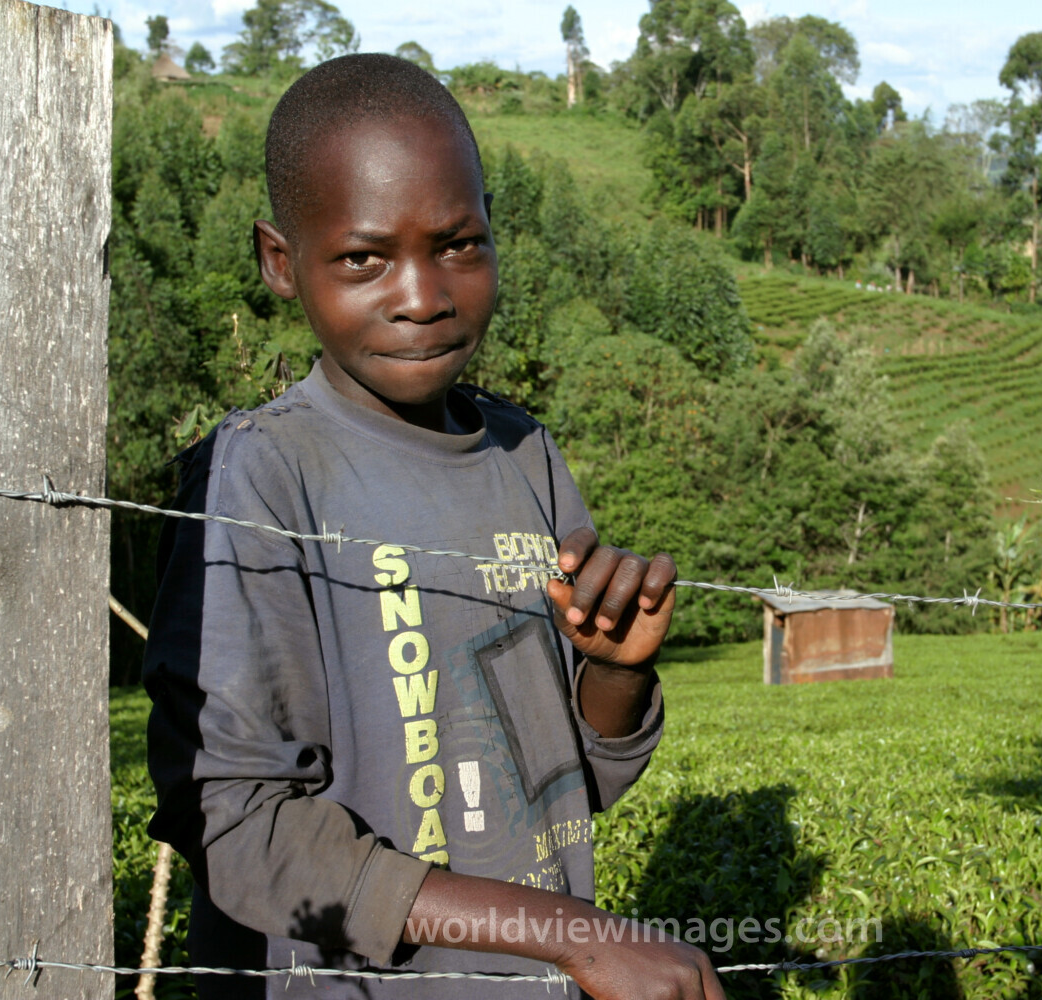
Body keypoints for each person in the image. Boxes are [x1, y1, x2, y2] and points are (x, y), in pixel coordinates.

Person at [143, 53, 725, 1000]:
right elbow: (241, 827)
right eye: (365, 258)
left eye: (457, 243)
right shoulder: (261, 476)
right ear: (280, 262)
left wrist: (615, 672)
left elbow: (569, 788)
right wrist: (576, 935)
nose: (422, 295)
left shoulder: (522, 453)